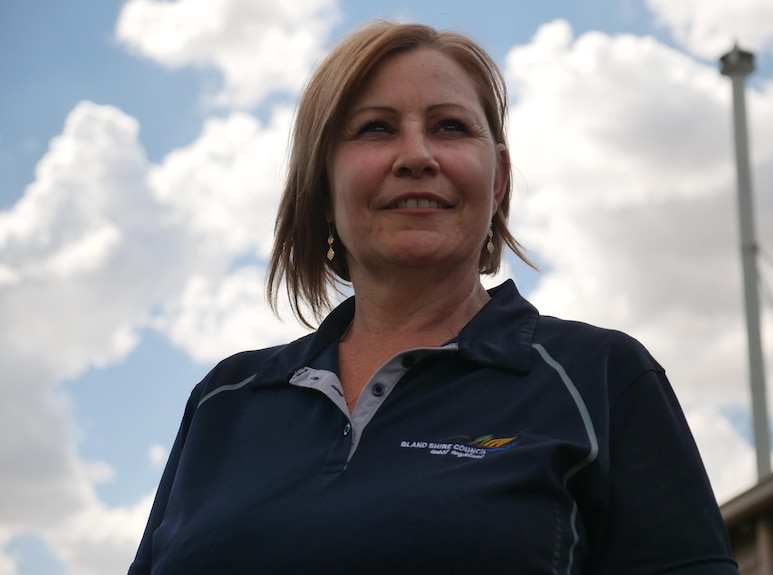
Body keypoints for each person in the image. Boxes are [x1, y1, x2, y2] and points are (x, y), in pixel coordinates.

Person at [129, 20, 739, 575]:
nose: (417, 156)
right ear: (320, 186)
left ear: (497, 180)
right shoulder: (223, 402)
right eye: (376, 129)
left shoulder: (602, 379)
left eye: (450, 127)